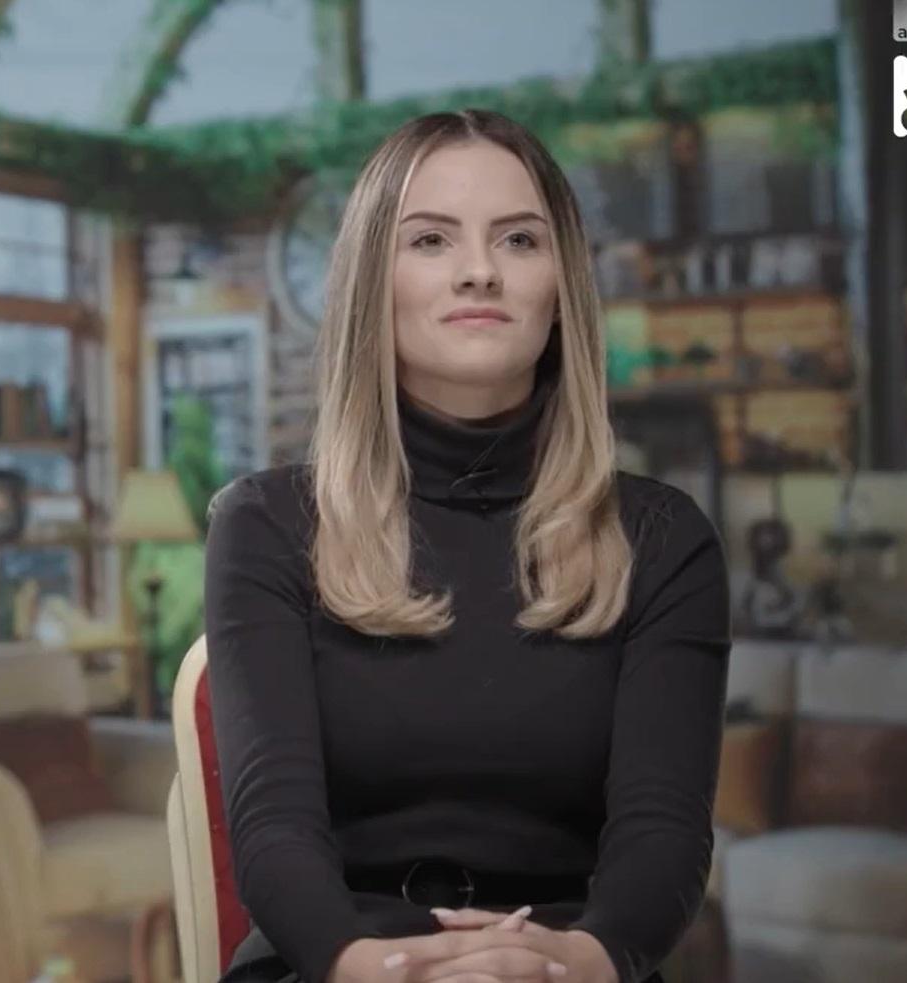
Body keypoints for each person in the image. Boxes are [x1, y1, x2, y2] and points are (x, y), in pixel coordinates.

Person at [203, 110, 730, 983]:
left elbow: (662, 832)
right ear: (372, 281)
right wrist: (374, 966)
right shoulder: (265, 523)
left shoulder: (663, 539)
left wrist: (573, 964)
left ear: (561, 285)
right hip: (336, 963)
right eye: (430, 240)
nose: (479, 270)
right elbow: (272, 829)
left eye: (518, 239)